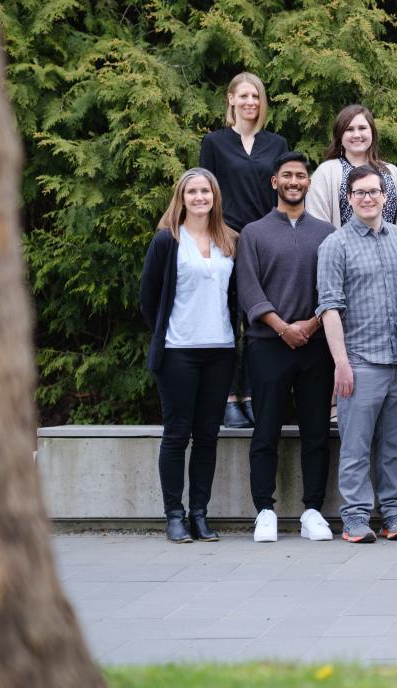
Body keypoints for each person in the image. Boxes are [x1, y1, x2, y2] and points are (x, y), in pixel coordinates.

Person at [236, 152, 336, 543]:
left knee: (316, 431)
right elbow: (248, 288)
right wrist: (281, 327)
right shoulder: (254, 233)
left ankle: (313, 510)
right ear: (275, 182)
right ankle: (264, 510)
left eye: (301, 176)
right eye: (287, 176)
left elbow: (332, 287)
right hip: (268, 345)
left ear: (308, 183)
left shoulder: (326, 233)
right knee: (265, 431)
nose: (294, 181)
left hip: (314, 345)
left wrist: (310, 325)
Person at [315, 166, 397, 544]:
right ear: (349, 198)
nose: (368, 198)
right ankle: (356, 517)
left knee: (395, 448)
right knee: (355, 446)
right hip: (359, 363)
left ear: (385, 196)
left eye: (374, 191)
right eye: (360, 193)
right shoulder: (335, 245)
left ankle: (393, 514)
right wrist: (341, 362)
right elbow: (329, 308)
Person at [139, 168, 238, 543]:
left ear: (215, 197)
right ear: (181, 198)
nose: (200, 197)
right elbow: (149, 299)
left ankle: (200, 513)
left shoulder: (229, 241)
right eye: (193, 191)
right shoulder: (168, 241)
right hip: (179, 352)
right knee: (177, 434)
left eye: (206, 191)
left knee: (208, 436)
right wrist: (170, 332)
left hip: (221, 351)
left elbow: (231, 300)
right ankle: (174, 515)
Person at [199, 72, 289, 429]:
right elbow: (204, 193)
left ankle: (253, 395)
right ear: (231, 100)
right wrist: (216, 235)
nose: (251, 102)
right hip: (225, 239)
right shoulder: (215, 142)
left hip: (264, 242)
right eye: (244, 96)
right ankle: (228, 398)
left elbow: (283, 194)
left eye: (256, 96)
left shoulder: (276, 144)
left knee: (258, 320)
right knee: (225, 320)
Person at [307, 104, 397, 235]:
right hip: (344, 254)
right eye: (349, 129)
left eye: (362, 128)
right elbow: (316, 223)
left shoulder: (392, 172)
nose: (356, 134)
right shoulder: (326, 173)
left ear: (372, 132)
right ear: (340, 135)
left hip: (392, 253)